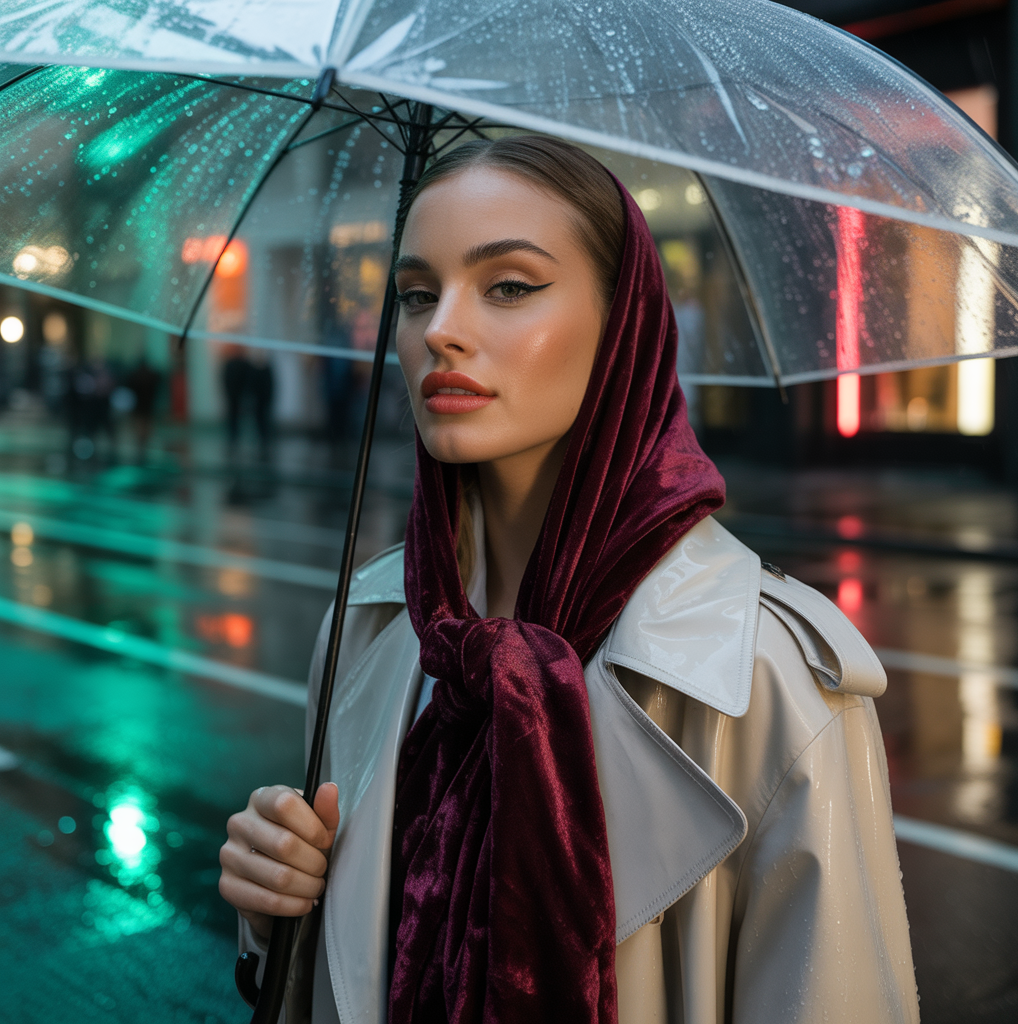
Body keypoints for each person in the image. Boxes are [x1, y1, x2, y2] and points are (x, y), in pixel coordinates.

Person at [219, 137, 918, 1023]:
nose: (440, 329)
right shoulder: (367, 627)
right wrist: (273, 903)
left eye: (509, 286)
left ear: (623, 326)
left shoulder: (767, 676)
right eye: (416, 294)